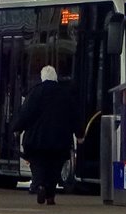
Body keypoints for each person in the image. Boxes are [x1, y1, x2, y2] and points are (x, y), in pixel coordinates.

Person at [10, 65, 77, 206]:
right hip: (60, 140)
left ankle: (40, 185)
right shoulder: (65, 94)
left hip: (36, 140)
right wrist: (80, 133)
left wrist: (17, 128)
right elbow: (73, 116)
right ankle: (50, 195)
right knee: (55, 167)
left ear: (42, 77)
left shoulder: (34, 93)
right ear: (55, 77)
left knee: (38, 165)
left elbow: (25, 114)